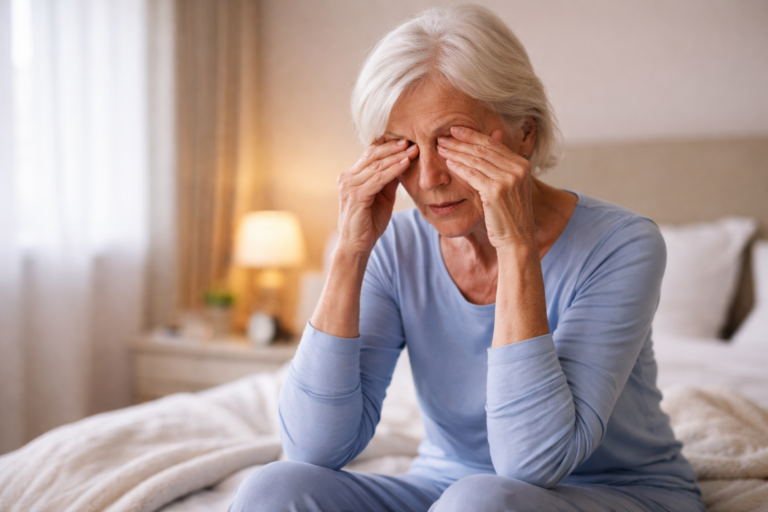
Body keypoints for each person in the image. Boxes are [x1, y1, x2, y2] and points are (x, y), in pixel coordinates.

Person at [230, 5, 705, 511]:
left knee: (479, 501)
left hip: (609, 491)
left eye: (452, 141)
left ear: (526, 132)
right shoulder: (396, 245)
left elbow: (531, 463)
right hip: (446, 488)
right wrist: (350, 251)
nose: (429, 179)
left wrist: (516, 245)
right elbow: (312, 448)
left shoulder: (623, 244)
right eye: (404, 146)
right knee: (272, 490)